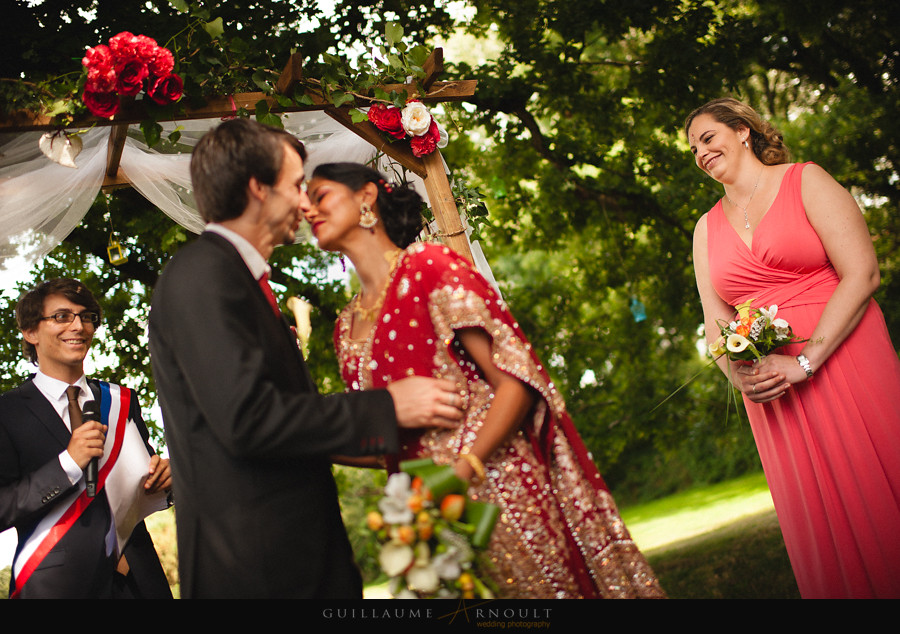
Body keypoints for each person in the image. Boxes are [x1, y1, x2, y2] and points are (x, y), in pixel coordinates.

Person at [303, 162, 665, 599]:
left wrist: (463, 469)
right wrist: (302, 438)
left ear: (366, 197)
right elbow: (383, 441)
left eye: (319, 194)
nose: (306, 208)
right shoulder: (345, 327)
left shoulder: (428, 266)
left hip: (498, 486)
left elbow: (517, 379)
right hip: (425, 512)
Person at [148, 118, 464, 599]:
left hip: (294, 561)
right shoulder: (202, 274)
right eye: (296, 185)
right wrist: (388, 407)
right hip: (257, 574)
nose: (304, 202)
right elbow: (248, 418)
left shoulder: (239, 280)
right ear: (258, 189)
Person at [686, 97, 900, 598]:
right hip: (775, 394)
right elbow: (714, 322)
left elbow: (862, 271)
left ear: (742, 131)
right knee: (824, 513)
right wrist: (739, 377)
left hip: (845, 359)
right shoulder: (705, 229)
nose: (700, 152)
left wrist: (806, 360)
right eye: (692, 148)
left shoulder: (805, 180)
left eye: (708, 137)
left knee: (879, 481)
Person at [0, 278, 172, 599]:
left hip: (139, 582)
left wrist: (166, 479)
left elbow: (138, 485)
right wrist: (67, 465)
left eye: (86, 316)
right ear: (30, 331)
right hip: (57, 587)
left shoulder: (122, 401)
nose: (78, 325)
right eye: (62, 316)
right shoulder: (8, 412)